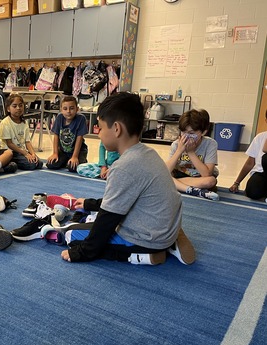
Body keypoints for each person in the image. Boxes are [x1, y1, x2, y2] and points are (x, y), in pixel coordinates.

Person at [59, 92, 195, 266]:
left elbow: (107, 220)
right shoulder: (148, 152)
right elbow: (123, 198)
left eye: (100, 128)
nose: (99, 134)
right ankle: (170, 240)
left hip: (147, 238)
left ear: (116, 128)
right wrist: (90, 204)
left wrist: (83, 252)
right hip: (166, 225)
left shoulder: (123, 167)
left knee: (72, 234)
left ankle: (142, 255)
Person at [165, 109, 219, 201]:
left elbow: (206, 174)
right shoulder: (176, 144)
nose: (186, 136)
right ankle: (190, 189)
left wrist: (191, 152)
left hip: (199, 177)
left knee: (211, 181)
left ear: (203, 132)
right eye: (183, 132)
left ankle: (176, 185)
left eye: (191, 133)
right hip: (179, 174)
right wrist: (179, 150)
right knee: (162, 176)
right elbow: (165, 171)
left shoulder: (210, 144)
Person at [0, 93, 43, 170]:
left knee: (39, 163)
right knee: (31, 165)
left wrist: (33, 154)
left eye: (20, 105)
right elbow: (10, 144)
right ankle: (8, 162)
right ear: (8, 109)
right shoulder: (5, 122)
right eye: (14, 106)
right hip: (10, 152)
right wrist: (25, 154)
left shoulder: (24, 123)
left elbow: (27, 142)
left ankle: (12, 164)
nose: (18, 108)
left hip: (21, 151)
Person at [46, 96, 88, 172]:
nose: (68, 111)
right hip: (63, 151)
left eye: (71, 108)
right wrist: (55, 153)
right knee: (51, 164)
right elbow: (56, 136)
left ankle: (76, 160)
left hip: (78, 151)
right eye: (65, 109)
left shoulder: (81, 119)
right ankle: (65, 160)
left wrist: (75, 156)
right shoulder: (59, 118)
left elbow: (79, 138)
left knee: (73, 168)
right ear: (61, 110)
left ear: (77, 109)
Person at [229, 123, 267, 200]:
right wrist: (237, 182)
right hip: (261, 173)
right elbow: (250, 163)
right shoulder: (260, 137)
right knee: (253, 192)